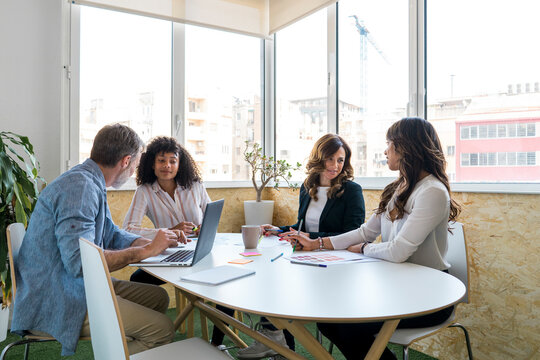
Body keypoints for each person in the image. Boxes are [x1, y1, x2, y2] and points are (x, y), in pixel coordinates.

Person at [287, 117, 462, 360]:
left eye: (389, 143)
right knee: (328, 321)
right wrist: (317, 243)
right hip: (397, 286)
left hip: (428, 294)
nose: (385, 150)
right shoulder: (400, 187)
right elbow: (364, 232)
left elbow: (397, 251)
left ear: (406, 147)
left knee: (349, 327)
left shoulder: (431, 191)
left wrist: (365, 249)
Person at [11, 124, 187, 356]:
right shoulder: (80, 188)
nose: (134, 170)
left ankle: (119, 344)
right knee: (162, 330)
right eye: (135, 164)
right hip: (56, 298)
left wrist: (150, 243)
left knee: (157, 297)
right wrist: (144, 253)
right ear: (125, 161)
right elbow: (79, 263)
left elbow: (111, 233)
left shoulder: (90, 181)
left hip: (72, 285)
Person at [218, 133, 366, 359]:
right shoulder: (309, 188)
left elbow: (352, 235)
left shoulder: (352, 191)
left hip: (338, 263)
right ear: (319, 158)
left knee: (282, 279)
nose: (335, 166)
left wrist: (311, 238)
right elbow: (301, 226)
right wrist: (279, 229)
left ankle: (276, 342)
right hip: (309, 257)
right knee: (268, 272)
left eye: (340, 160)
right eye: (330, 159)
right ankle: (277, 342)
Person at [123, 136, 210, 284]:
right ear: (152, 164)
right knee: (137, 279)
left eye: (172, 161)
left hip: (200, 252)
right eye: (161, 160)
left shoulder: (195, 186)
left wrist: (204, 228)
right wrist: (169, 231)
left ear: (179, 164)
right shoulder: (144, 191)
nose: (167, 165)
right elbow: (128, 230)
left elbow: (211, 216)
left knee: (224, 279)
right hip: (169, 253)